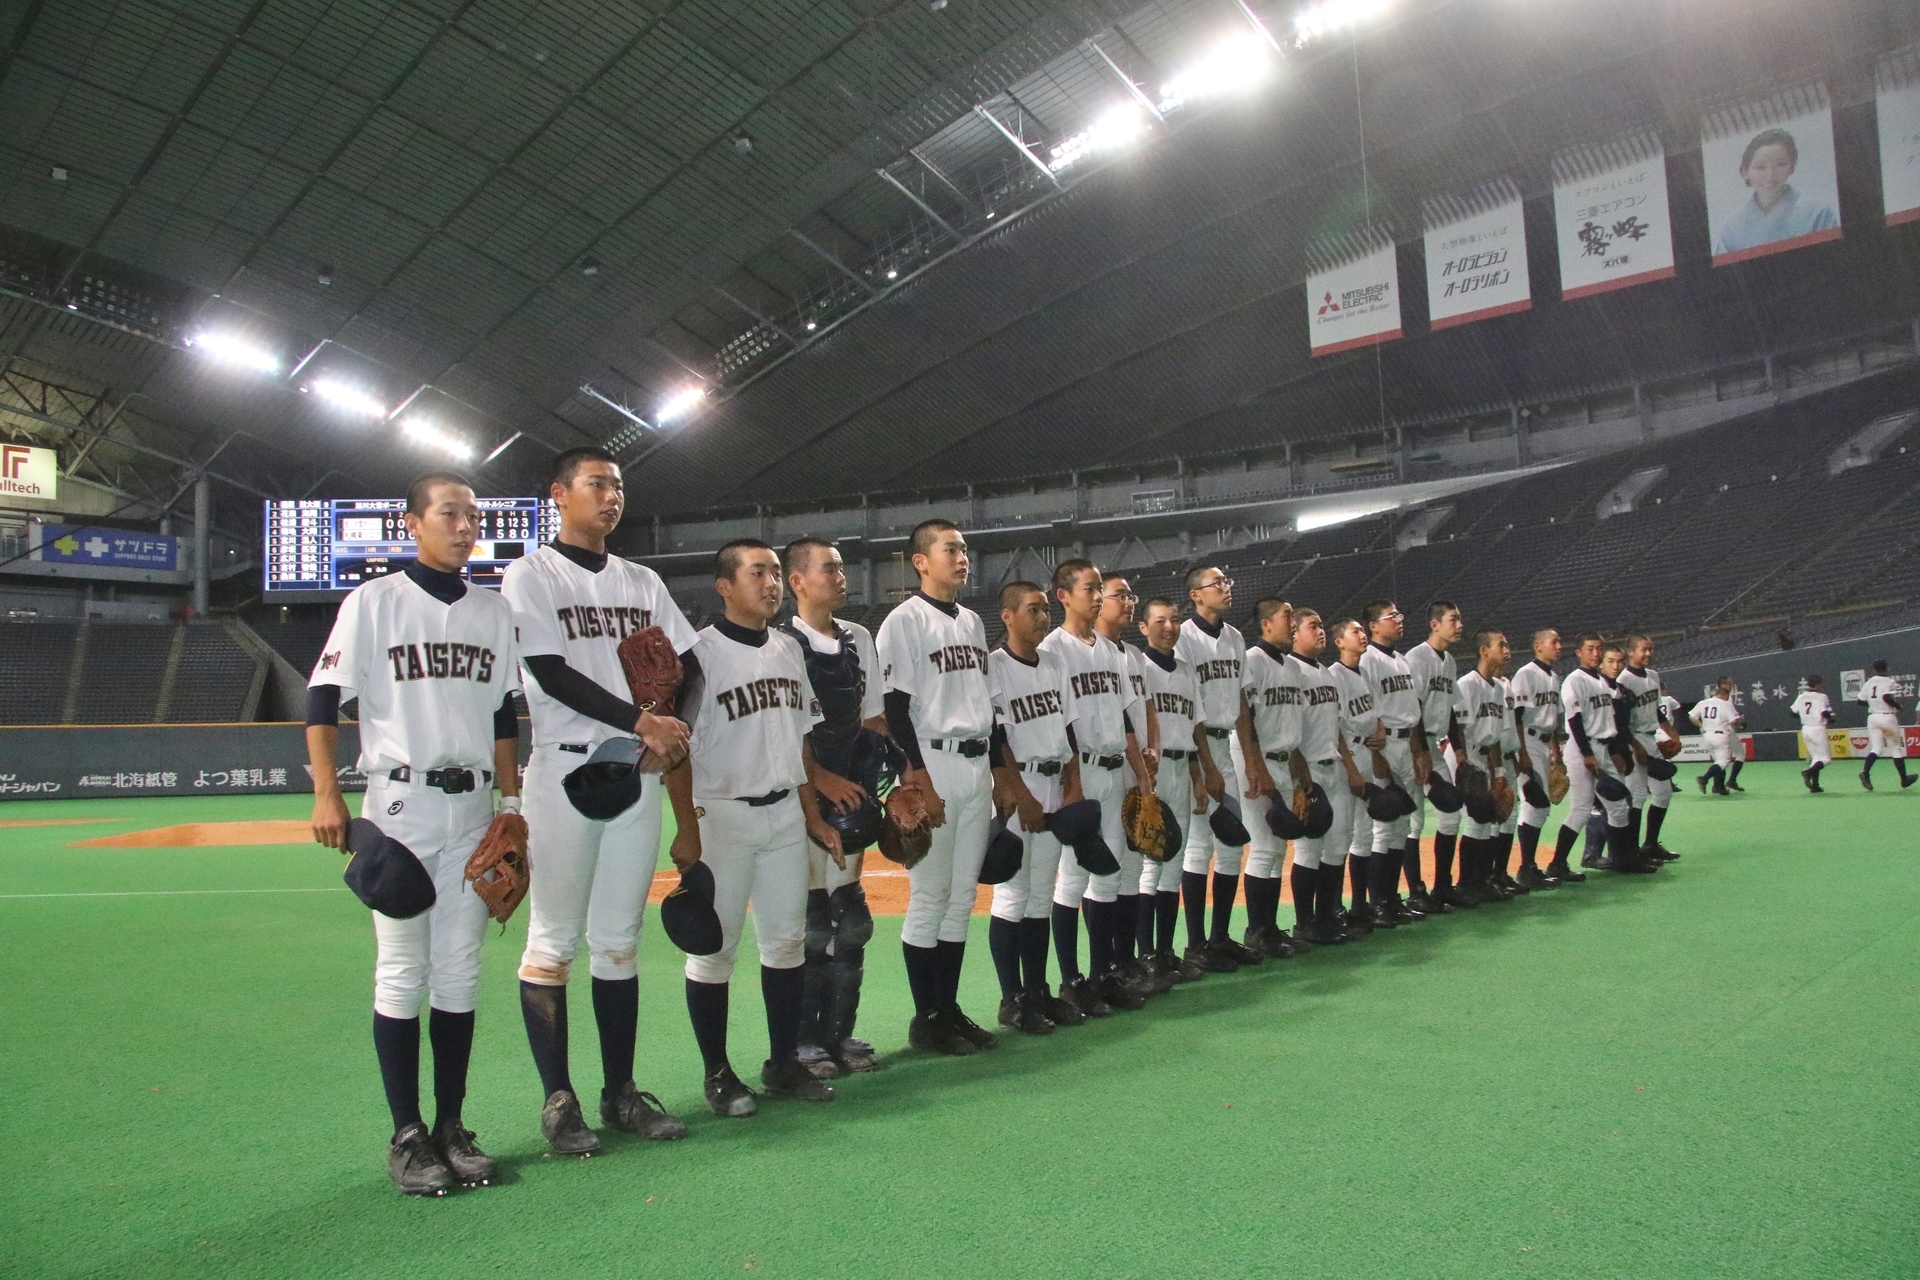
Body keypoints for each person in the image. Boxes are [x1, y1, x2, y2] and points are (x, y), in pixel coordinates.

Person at [306, 471, 524, 1196]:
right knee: (402, 971)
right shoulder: (374, 602)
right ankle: (406, 1135)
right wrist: (326, 792)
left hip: (472, 809)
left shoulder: (492, 613)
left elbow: (500, 715)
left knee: (459, 971)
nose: (465, 526)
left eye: (474, 515)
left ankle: (450, 1127)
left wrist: (512, 798)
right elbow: (323, 696)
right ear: (412, 524)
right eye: (450, 513)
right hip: (400, 805)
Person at [502, 446, 695, 1156]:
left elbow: (690, 665)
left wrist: (673, 733)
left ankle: (620, 1093)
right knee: (552, 943)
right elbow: (548, 672)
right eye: (596, 484)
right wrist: (641, 720)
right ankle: (560, 1101)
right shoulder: (531, 573)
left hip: (635, 772)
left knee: (618, 942)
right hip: (564, 771)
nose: (610, 496)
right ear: (559, 494)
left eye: (617, 486)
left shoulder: (641, 580)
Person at [674, 540, 840, 1116]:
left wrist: (812, 814)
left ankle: (782, 1062)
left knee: (787, 943)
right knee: (714, 951)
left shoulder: (788, 650)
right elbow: (677, 748)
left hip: (784, 817)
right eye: (756, 573)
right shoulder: (699, 653)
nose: (770, 582)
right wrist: (686, 829)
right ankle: (718, 1073)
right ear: (724, 585)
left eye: (774, 572)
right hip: (722, 814)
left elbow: (800, 739)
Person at [876, 520, 998, 1055]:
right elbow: (895, 708)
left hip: (976, 764)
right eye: (951, 549)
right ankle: (926, 1017)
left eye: (965, 549)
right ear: (920, 561)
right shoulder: (903, 622)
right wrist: (918, 777)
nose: (962, 557)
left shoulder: (972, 621)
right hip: (935, 762)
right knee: (930, 896)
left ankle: (948, 1010)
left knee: (962, 896)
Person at [778, 538, 886, 1078]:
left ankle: (841, 1034)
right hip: (804, 796)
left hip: (851, 796)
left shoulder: (858, 638)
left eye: (842, 568)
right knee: (812, 924)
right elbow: (787, 729)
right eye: (830, 568)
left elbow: (872, 718)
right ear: (797, 581)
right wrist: (820, 780)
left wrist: (906, 773)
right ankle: (803, 1042)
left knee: (853, 920)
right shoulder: (781, 645)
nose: (841, 577)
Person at [1042, 559, 1158, 1014]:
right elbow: (1061, 722)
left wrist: (1143, 776)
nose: (1096, 595)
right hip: (1082, 771)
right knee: (1072, 880)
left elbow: (1129, 717)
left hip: (1114, 770)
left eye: (1098, 589)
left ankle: (1102, 974)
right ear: (1064, 596)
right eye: (1088, 588)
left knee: (1107, 876)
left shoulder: (1111, 652)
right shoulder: (1054, 649)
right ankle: (1072, 981)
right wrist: (1072, 784)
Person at [986, 581, 1086, 1032]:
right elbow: (998, 737)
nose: (1042, 617)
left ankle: (1039, 991)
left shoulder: (1055, 664)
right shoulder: (996, 666)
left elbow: (1069, 731)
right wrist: (1020, 795)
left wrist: (1073, 786)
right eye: (1033, 609)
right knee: (1012, 896)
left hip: (1053, 783)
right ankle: (1013, 999)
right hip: (1020, 785)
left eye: (1046, 609)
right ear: (1008, 616)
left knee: (1040, 898)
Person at [1175, 564, 1261, 971]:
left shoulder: (1235, 637)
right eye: (1218, 583)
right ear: (1196, 594)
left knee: (1231, 846)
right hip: (1198, 747)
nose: (1226, 588)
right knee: (1199, 847)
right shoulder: (1184, 638)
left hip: (1225, 746)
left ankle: (1221, 937)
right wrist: (1201, 767)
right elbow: (1185, 706)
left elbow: (1242, 703)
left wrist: (1252, 757)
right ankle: (1195, 944)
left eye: (1228, 581)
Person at [1134, 597, 1217, 981]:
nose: (1169, 627)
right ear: (1144, 627)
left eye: (1175, 620)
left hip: (1182, 767)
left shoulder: (1186, 670)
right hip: (1153, 770)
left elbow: (1195, 727)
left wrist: (1199, 777)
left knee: (1172, 863)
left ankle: (1165, 951)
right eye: (1160, 620)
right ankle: (1145, 953)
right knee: (1150, 864)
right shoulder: (1141, 666)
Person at [1094, 572, 1162, 984]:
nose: (1129, 601)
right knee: (1108, 870)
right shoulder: (1092, 650)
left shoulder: (1135, 656)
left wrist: (1151, 751)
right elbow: (1118, 719)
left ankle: (1127, 958)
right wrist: (1140, 764)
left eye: (1131, 595)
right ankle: (1109, 966)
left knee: (1134, 867)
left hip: (1138, 765)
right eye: (1120, 594)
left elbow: (1147, 710)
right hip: (1114, 764)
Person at [1286, 610, 1364, 945]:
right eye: (1312, 626)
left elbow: (1338, 730)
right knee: (1309, 849)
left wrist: (1352, 769)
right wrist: (1301, 780)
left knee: (1337, 845)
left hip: (1334, 766)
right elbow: (1288, 732)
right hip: (1309, 770)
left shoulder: (1327, 674)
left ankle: (1327, 916)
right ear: (1294, 633)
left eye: (1321, 625)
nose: (1319, 631)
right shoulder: (1291, 672)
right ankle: (1305, 923)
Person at [1238, 598, 1305, 958]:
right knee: (1264, 848)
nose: (1292, 623)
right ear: (1266, 624)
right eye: (1287, 616)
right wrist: (1255, 765)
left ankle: (1269, 927)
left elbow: (1290, 726)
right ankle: (1257, 930)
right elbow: (1244, 715)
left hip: (1282, 758)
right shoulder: (1252, 661)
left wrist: (1297, 773)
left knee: (1278, 849)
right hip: (1257, 758)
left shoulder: (1291, 667)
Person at [1357, 600, 1429, 925]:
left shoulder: (1402, 660)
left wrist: (1418, 751)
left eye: (1400, 615)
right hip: (1383, 746)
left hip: (1405, 742)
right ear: (1373, 625)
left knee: (1401, 827)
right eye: (1392, 616)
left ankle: (1391, 898)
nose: (1399, 620)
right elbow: (1369, 711)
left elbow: (1412, 711)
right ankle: (1377, 903)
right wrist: (1376, 758)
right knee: (1383, 829)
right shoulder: (1367, 661)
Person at [1552, 634, 1647, 876]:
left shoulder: (1603, 683)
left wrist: (1614, 751)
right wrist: (1587, 754)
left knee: (1619, 807)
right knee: (1581, 809)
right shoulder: (1574, 680)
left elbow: (1609, 721)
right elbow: (1574, 720)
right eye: (1590, 649)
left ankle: (1622, 859)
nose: (1595, 653)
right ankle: (1558, 864)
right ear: (1579, 652)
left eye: (1598, 649)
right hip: (1583, 749)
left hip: (1603, 747)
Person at [1404, 601, 1466, 912]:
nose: (1459, 625)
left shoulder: (1450, 662)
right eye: (1453, 619)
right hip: (1413, 745)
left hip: (1436, 745)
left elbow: (1452, 710)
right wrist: (1421, 754)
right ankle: (1416, 891)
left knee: (1452, 813)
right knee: (1413, 821)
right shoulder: (1417, 658)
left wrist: (1461, 751)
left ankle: (1443, 886)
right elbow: (1411, 706)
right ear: (1434, 624)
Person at [1329, 618, 1388, 935]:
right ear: (1339, 642)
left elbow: (1376, 716)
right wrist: (1352, 768)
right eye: (1356, 632)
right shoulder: (1334, 676)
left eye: (1364, 631)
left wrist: (1379, 740)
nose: (1363, 635)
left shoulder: (1366, 673)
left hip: (1367, 753)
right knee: (1344, 834)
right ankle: (1335, 907)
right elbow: (1335, 725)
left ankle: (1360, 905)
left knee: (1365, 835)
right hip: (1347, 756)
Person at [1509, 629, 1574, 885]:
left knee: (1539, 807)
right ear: (1538, 646)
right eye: (1554, 642)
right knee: (1536, 804)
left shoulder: (1554, 676)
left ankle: (1529, 867)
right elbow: (1516, 716)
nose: (1559, 646)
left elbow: (1554, 719)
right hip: (1528, 740)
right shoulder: (1526, 674)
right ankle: (1526, 868)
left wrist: (1556, 752)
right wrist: (1522, 753)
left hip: (1544, 743)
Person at [1454, 631, 1515, 901]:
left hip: (1484, 758)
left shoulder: (1500, 688)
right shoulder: (1467, 685)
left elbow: (1495, 738)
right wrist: (1464, 764)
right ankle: (1465, 883)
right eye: (1501, 644)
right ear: (1483, 651)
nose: (1507, 649)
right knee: (1474, 820)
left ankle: (1480, 880)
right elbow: (1458, 728)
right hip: (1466, 757)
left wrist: (1499, 772)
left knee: (1485, 822)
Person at [1713, 127, 1839, 258]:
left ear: (1792, 167)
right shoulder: (1731, 231)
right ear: (1745, 172)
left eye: (1781, 164)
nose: (1770, 175)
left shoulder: (1818, 215)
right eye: (1760, 167)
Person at [1617, 635, 1678, 863]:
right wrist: (1635, 745)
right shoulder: (1623, 680)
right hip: (1633, 739)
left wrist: (1672, 733)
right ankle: (1631, 852)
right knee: (1637, 796)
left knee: (1664, 793)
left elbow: (1656, 710)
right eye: (1643, 649)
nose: (1648, 654)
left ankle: (1650, 844)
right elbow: (1621, 720)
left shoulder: (1653, 676)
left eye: (1650, 649)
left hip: (1651, 738)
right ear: (1630, 652)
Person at [1856, 659, 1914, 791]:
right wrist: (1898, 706)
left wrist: (1873, 704)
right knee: (1895, 748)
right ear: (1887, 668)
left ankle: (1865, 772)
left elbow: (1860, 701)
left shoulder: (1869, 682)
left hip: (1873, 718)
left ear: (1874, 670)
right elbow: (1886, 698)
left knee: (1876, 748)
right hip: (1887, 717)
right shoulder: (1889, 681)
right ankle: (1904, 779)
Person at [1690, 677, 1743, 795]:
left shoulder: (1703, 702)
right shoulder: (1725, 704)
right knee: (1722, 763)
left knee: (1718, 762)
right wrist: (1741, 723)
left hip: (1707, 735)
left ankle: (1719, 787)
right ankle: (1704, 778)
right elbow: (1735, 722)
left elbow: (1692, 716)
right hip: (1720, 735)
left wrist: (1701, 725)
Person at [1790, 674, 1835, 792]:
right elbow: (1824, 713)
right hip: (1817, 728)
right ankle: (1809, 772)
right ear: (1818, 684)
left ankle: (1815, 786)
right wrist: (1831, 717)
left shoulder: (1802, 696)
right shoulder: (1821, 696)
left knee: (1816, 758)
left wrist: (1806, 716)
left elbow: (1793, 713)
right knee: (1825, 759)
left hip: (1805, 728)